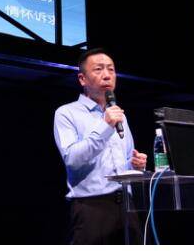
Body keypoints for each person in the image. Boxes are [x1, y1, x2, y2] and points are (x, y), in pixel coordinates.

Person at [53, 48, 148, 244]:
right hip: (92, 207)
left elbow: (126, 160)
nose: (107, 75)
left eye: (111, 69)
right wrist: (105, 126)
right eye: (98, 69)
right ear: (82, 79)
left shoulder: (119, 115)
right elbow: (72, 159)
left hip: (127, 205)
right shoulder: (66, 113)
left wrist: (136, 165)